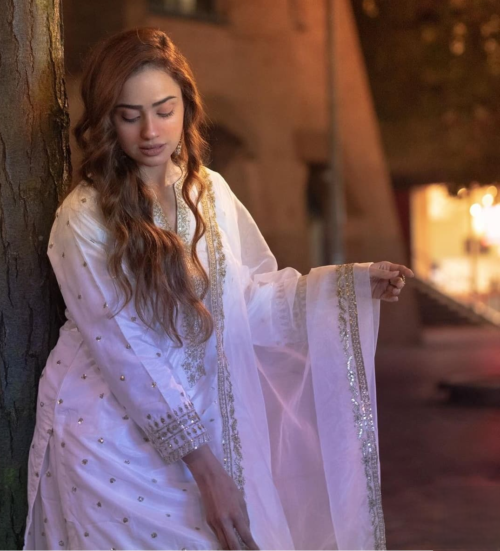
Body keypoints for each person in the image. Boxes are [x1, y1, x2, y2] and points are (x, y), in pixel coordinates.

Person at [23, 27, 413, 551]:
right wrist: (207, 471)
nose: (150, 131)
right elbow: (125, 351)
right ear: (106, 119)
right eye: (128, 114)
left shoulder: (208, 192)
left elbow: (248, 303)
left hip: (210, 417)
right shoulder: (82, 217)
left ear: (186, 104)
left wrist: (346, 286)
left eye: (164, 109)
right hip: (108, 441)